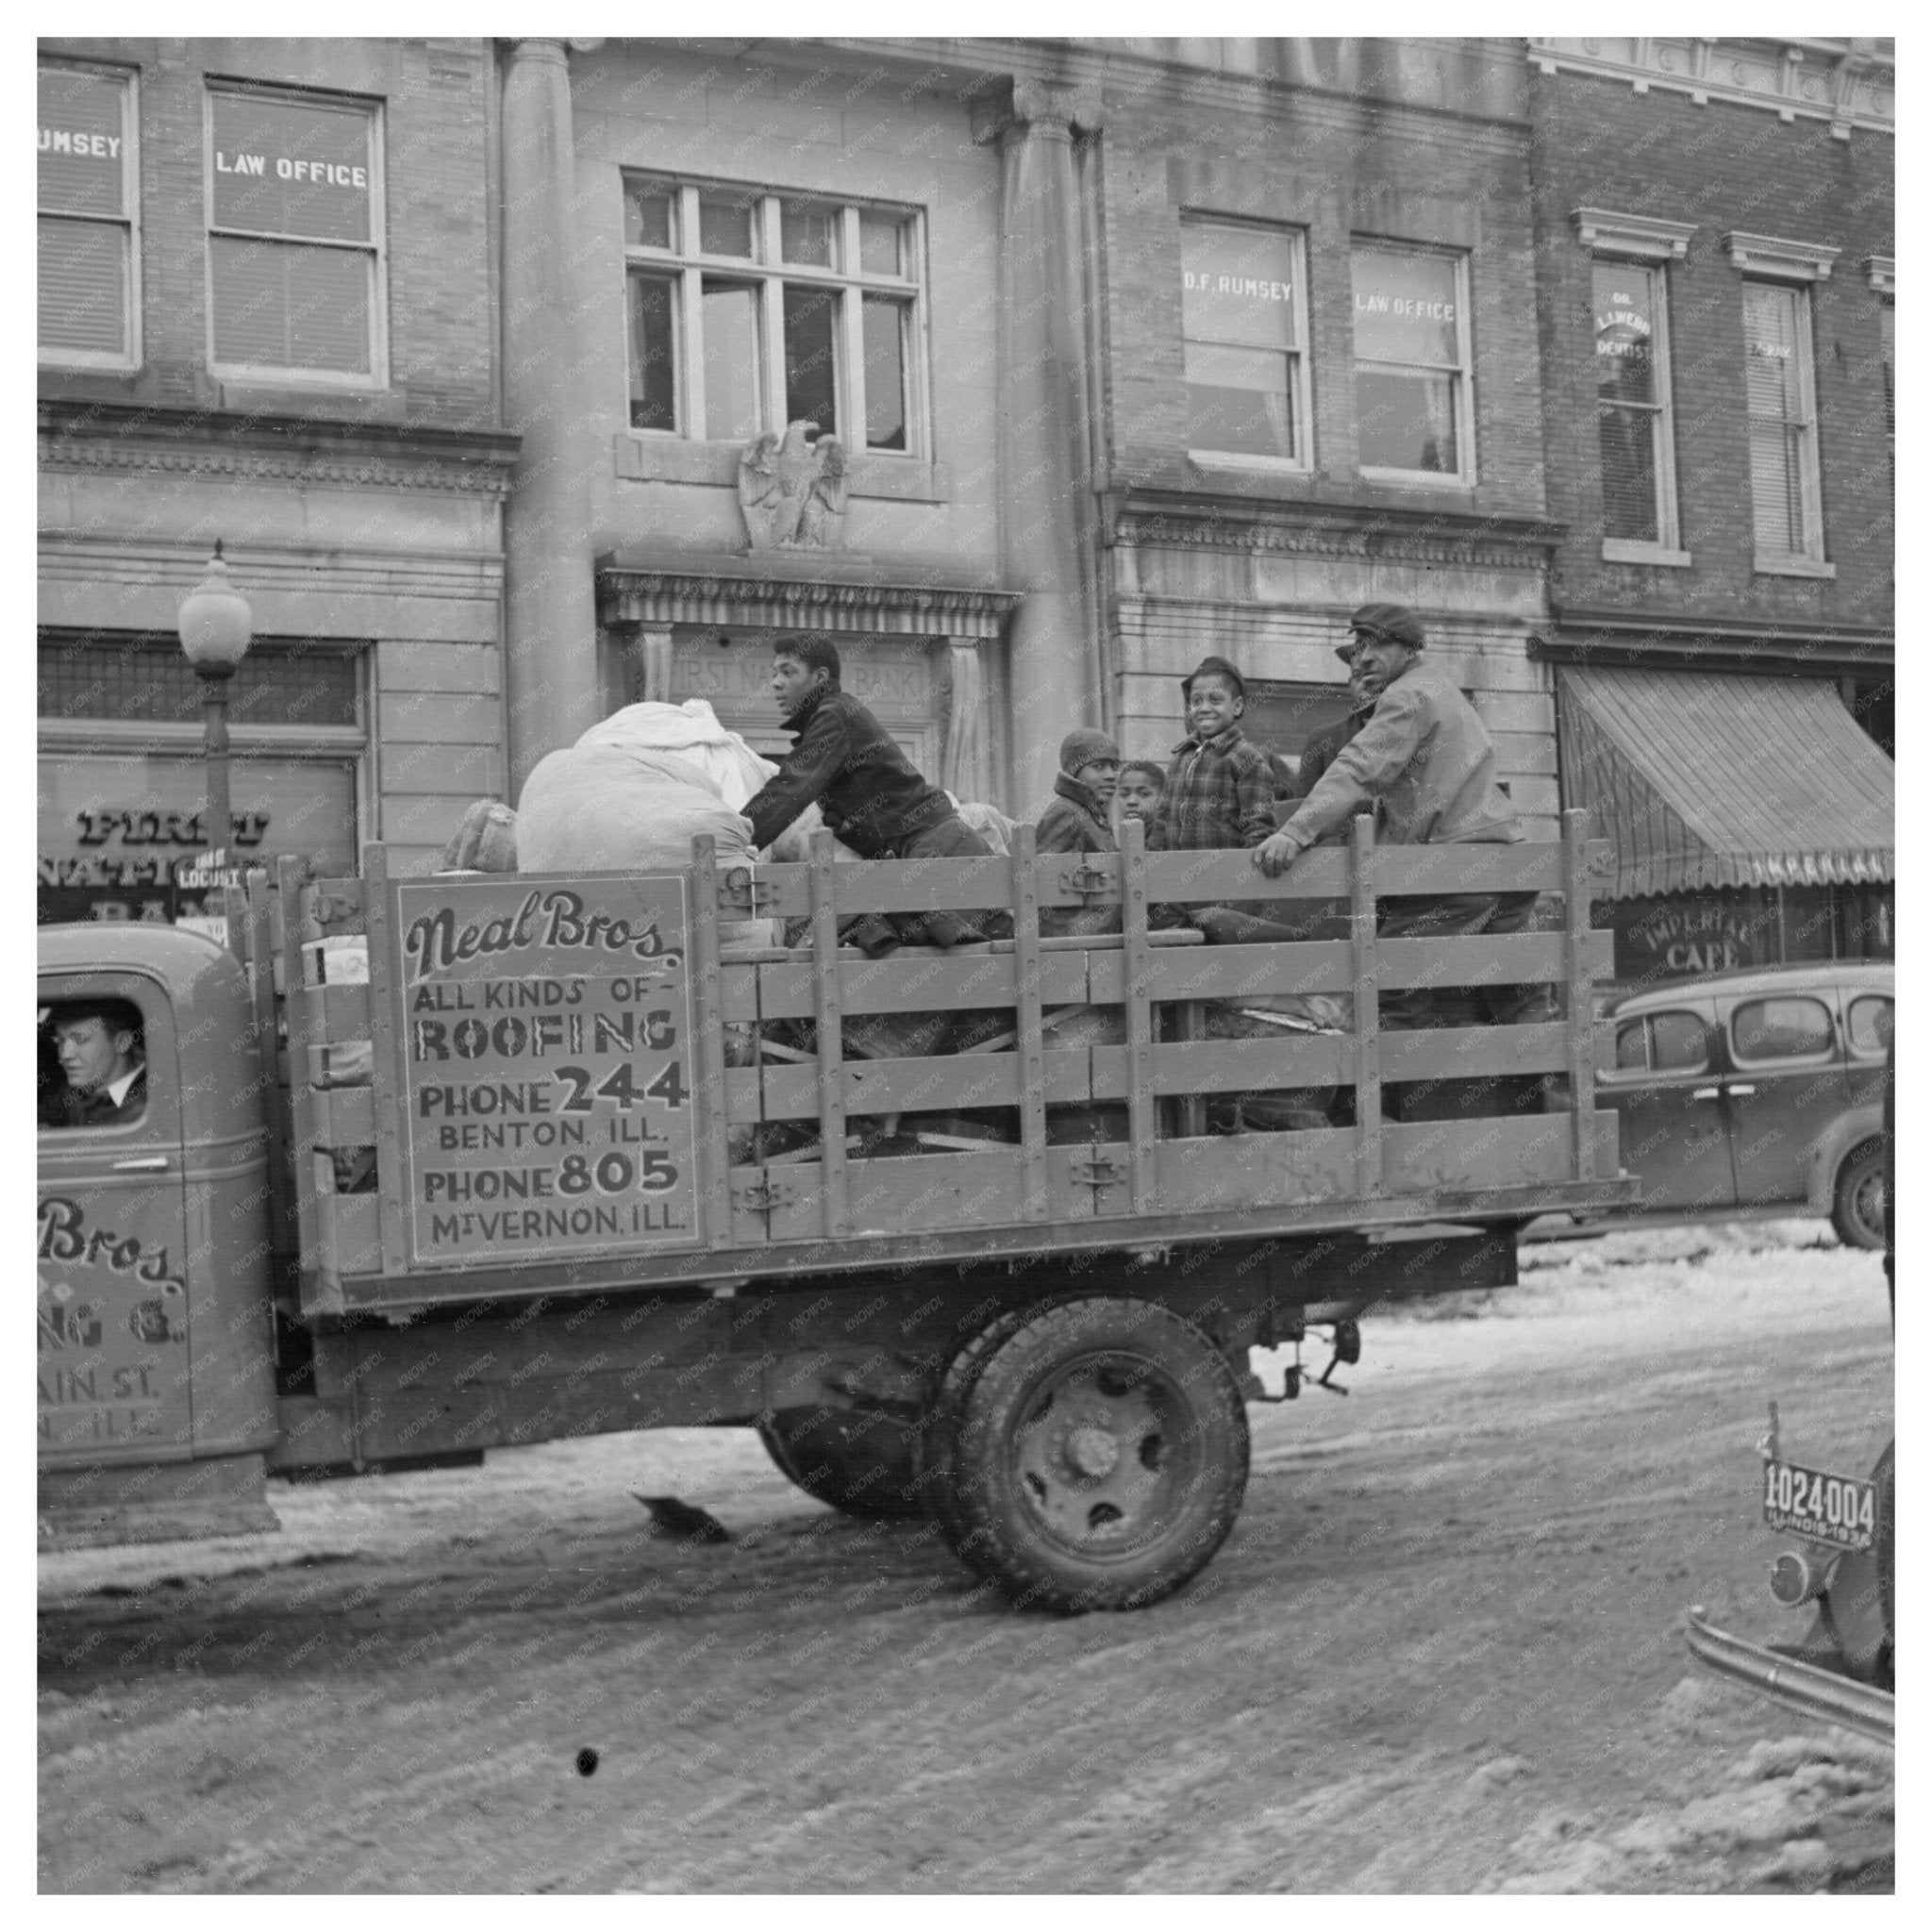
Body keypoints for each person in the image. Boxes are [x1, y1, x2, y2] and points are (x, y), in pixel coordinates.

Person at [1254, 605, 1546, 1092]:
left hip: (1453, 872)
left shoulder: (1407, 697)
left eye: (1375, 645)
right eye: (1356, 650)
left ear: (1408, 648)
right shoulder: (1441, 690)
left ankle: (1378, 1126)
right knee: (1519, 999)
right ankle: (1558, 1122)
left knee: (1388, 995)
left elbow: (1359, 768)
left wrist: (1295, 832)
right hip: (1501, 864)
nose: (1362, 659)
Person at [742, 637, 1010, 955]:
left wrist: (736, 837)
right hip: (929, 851)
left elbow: (790, 789)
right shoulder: (835, 715)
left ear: (820, 677)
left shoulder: (835, 716)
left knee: (947, 973)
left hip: (937, 851)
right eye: (774, 673)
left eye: (788, 672)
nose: (775, 683)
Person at [1149, 656, 1276, 855]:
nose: (1204, 709)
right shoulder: (1179, 757)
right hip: (1174, 875)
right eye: (1196, 701)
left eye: (1215, 700)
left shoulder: (1247, 759)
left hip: (1224, 877)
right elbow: (1162, 821)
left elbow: (1258, 828)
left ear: (1237, 706)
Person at [1036, 729, 1120, 938]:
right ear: (1075, 771)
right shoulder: (1066, 813)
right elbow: (1049, 886)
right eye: (1098, 767)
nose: (1110, 775)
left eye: (1114, 767)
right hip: (1080, 944)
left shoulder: (1092, 813)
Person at [44, 1000, 147, 1127]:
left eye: (80, 1040)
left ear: (122, 1042)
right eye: (60, 1040)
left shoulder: (150, 1106)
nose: (65, 1055)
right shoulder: (66, 1097)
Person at [1113, 760, 1165, 833]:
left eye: (1143, 794)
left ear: (1161, 798)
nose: (1131, 801)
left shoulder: (1170, 838)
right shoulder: (1114, 837)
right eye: (1124, 794)